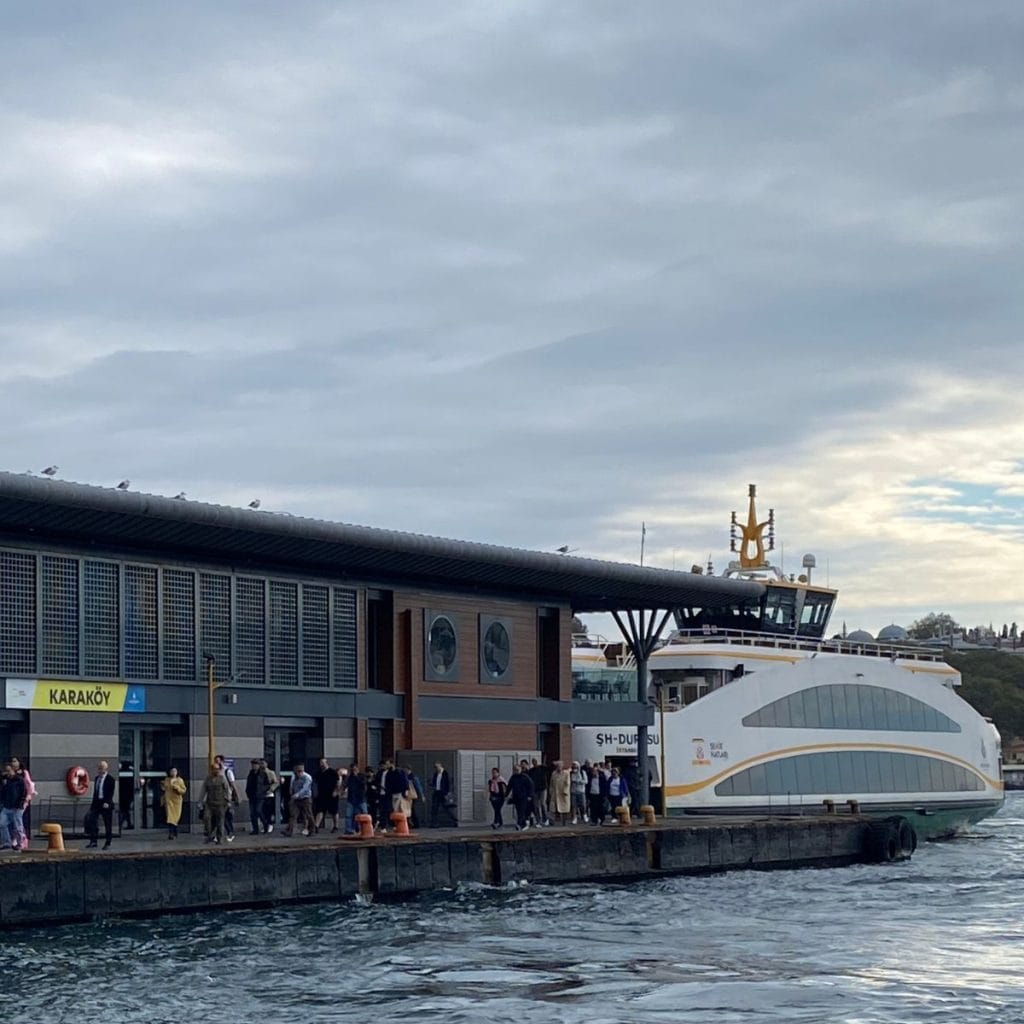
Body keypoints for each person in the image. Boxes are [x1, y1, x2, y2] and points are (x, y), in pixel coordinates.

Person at [85, 759, 116, 849]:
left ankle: (108, 842)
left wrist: (107, 802)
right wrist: (93, 804)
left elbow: (111, 792)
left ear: (106, 769)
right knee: (92, 820)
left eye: (101, 768)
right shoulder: (97, 778)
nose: (100, 770)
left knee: (107, 823)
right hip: (97, 803)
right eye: (99, 768)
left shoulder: (110, 779)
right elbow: (96, 792)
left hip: (106, 803)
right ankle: (93, 840)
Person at [199, 762, 231, 844]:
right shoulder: (208, 779)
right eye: (214, 769)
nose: (216, 771)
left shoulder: (222, 778)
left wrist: (228, 801)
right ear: (211, 770)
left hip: (220, 803)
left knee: (220, 821)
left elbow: (227, 790)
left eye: (217, 769)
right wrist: (200, 801)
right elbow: (203, 790)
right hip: (209, 803)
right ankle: (209, 835)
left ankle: (219, 838)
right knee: (206, 818)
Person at [0, 762, 27, 851]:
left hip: (16, 806)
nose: (8, 773)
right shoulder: (6, 781)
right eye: (6, 771)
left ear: (13, 770)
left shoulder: (19, 780)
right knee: (1, 824)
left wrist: (20, 803)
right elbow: (3, 792)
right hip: (7, 806)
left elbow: (23, 792)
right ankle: (7, 842)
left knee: (18, 826)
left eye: (9, 771)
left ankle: (20, 843)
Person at [213, 755, 238, 842]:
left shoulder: (227, 771)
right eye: (215, 761)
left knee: (222, 816)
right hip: (216, 797)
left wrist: (236, 795)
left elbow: (232, 784)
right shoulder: (215, 772)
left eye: (218, 761)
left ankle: (228, 832)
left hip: (226, 797)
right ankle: (224, 833)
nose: (216, 763)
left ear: (222, 761)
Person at [286, 762, 315, 836]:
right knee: (293, 815)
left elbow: (305, 788)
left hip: (305, 798)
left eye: (299, 771)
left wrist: (298, 794)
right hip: (296, 799)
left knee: (309, 814)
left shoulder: (307, 777)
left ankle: (312, 830)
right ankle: (290, 831)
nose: (297, 773)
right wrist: (292, 793)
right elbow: (292, 785)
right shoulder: (294, 776)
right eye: (296, 771)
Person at [9, 757, 35, 837]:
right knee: (14, 819)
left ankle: (21, 838)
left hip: (22, 799)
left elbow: (29, 785)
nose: (13, 763)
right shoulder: (11, 773)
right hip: (13, 800)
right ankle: (16, 838)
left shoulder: (24, 772)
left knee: (17, 818)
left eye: (15, 761)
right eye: (12, 762)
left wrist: (28, 796)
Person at [506, 763, 535, 831]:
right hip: (516, 797)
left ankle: (519, 824)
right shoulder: (513, 777)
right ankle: (523, 824)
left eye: (517, 769)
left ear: (520, 769)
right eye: (515, 770)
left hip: (524, 797)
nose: (516, 771)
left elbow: (531, 786)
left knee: (522, 811)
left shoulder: (525, 777)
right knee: (518, 811)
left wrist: (530, 795)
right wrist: (506, 795)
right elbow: (509, 786)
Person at [314, 757, 339, 833]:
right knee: (320, 810)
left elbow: (338, 782)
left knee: (334, 811)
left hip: (332, 794)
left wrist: (336, 791)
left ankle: (336, 826)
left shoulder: (333, 772)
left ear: (326, 763)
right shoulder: (318, 773)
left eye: (323, 763)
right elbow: (315, 783)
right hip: (322, 794)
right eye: (320, 763)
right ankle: (316, 826)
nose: (322, 765)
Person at [161, 767, 187, 839]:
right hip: (169, 801)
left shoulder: (180, 780)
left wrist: (177, 788)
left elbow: (183, 790)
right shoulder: (167, 780)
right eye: (171, 771)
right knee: (170, 817)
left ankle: (174, 831)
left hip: (177, 802)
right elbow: (164, 788)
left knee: (175, 818)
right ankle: (171, 833)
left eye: (175, 771)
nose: (173, 772)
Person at [343, 762, 366, 834]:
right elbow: (346, 785)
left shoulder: (362, 776)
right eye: (352, 769)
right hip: (351, 798)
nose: (353, 771)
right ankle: (349, 829)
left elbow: (363, 784)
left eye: (354, 769)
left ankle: (362, 828)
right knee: (348, 815)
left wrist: (356, 776)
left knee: (362, 814)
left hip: (360, 798)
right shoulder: (350, 777)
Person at [428, 762, 451, 827]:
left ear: (440, 766)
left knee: (446, 807)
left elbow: (447, 784)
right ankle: (434, 823)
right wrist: (430, 784)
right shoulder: (436, 774)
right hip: (437, 792)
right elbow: (434, 783)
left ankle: (453, 820)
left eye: (437, 767)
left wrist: (447, 793)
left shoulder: (445, 773)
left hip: (443, 793)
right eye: (435, 767)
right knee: (434, 808)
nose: (436, 769)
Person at [528, 758, 550, 826]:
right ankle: (538, 820)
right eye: (533, 762)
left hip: (543, 788)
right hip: (535, 790)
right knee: (536, 805)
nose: (534, 763)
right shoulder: (531, 771)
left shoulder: (542, 768)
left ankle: (545, 819)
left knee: (543, 804)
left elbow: (549, 769)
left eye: (535, 761)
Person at [258, 759, 278, 833]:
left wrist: (270, 789)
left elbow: (275, 783)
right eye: (260, 763)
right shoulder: (258, 772)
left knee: (268, 811)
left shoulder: (270, 772)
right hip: (260, 794)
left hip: (269, 794)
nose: (261, 765)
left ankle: (270, 824)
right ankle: (264, 825)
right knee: (262, 811)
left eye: (263, 763)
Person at [550, 761, 572, 826]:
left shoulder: (566, 773)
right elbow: (551, 783)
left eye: (559, 766)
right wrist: (551, 791)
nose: (558, 768)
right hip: (556, 793)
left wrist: (565, 791)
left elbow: (567, 783)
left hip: (563, 793)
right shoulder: (554, 773)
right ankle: (556, 820)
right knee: (556, 807)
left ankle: (564, 821)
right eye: (557, 766)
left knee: (564, 807)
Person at [118, 761, 135, 831]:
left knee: (124, 810)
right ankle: (126, 823)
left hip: (123, 794)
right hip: (129, 794)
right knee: (126, 810)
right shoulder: (131, 773)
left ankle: (122, 823)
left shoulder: (122, 773)